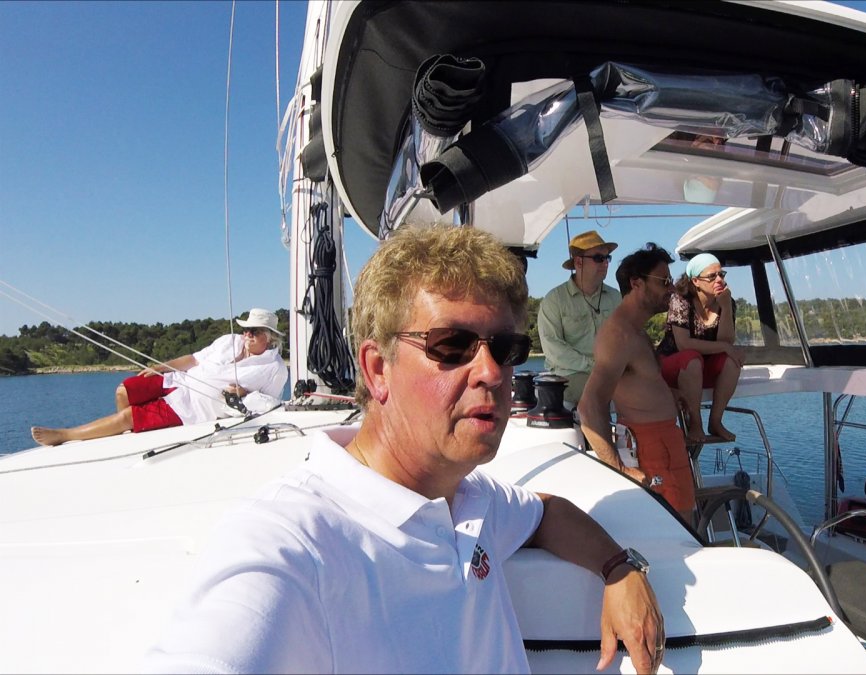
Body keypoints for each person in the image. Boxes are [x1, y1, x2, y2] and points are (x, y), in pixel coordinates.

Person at [144, 227, 664, 674]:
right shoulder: (293, 544)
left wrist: (620, 567)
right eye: (451, 346)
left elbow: (546, 512)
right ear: (376, 369)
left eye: (507, 349)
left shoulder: (469, 498)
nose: (492, 372)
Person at [30, 308, 288, 446]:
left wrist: (242, 394)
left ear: (270, 337)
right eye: (247, 330)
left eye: (255, 331)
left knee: (127, 416)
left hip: (193, 406)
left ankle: (64, 435)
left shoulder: (275, 368)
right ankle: (132, 434)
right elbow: (193, 359)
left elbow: (268, 404)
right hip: (178, 381)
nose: (248, 335)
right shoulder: (227, 341)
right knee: (123, 390)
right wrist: (161, 367)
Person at [579, 243, 697, 521]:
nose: (671, 288)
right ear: (636, 283)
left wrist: (669, 394)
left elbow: (638, 383)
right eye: (664, 281)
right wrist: (620, 469)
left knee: (684, 525)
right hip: (650, 447)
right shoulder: (618, 336)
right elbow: (589, 406)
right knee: (675, 531)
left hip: (666, 440)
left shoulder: (637, 333)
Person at [656, 253, 744, 443]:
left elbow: (726, 341)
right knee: (692, 358)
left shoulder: (726, 301)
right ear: (695, 281)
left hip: (700, 369)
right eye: (712, 276)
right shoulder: (680, 300)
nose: (719, 280)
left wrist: (726, 308)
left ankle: (716, 421)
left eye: (722, 274)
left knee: (732, 361)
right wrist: (724, 347)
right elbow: (683, 344)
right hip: (674, 366)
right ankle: (695, 423)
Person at [537, 230, 621, 406]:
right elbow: (554, 348)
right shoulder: (555, 300)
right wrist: (594, 366)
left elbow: (625, 338)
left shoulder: (615, 297)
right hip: (568, 375)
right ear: (578, 262)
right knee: (598, 395)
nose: (605, 263)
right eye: (599, 258)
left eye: (608, 258)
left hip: (609, 374)